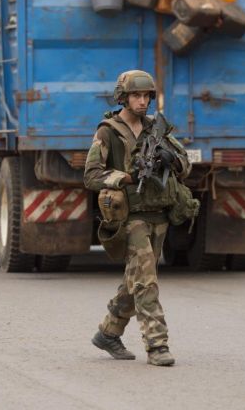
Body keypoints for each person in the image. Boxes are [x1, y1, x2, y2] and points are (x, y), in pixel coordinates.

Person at [85, 70, 198, 368]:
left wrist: (172, 160)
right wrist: (126, 177)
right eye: (136, 95)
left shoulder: (157, 130)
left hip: (158, 214)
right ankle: (157, 344)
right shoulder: (108, 131)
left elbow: (185, 164)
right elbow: (92, 175)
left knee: (135, 279)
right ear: (123, 97)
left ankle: (108, 331)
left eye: (147, 95)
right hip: (130, 216)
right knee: (147, 280)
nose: (142, 101)